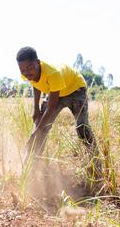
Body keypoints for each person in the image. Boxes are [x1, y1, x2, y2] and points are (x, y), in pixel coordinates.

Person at [16, 47, 101, 186]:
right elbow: (36, 83)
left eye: (29, 68)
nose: (26, 72)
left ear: (38, 62)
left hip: (75, 89)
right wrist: (36, 109)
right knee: (39, 128)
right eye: (23, 70)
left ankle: (97, 168)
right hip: (55, 91)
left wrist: (35, 133)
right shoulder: (27, 73)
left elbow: (50, 108)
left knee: (82, 128)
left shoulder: (52, 73)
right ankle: (29, 172)